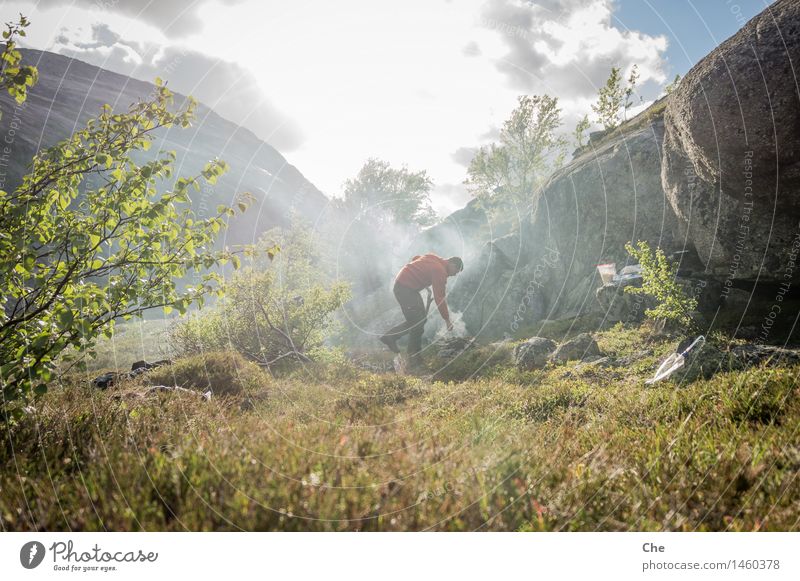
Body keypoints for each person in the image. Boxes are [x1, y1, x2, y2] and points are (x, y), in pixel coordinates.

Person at [380, 254, 463, 367]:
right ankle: (412, 357)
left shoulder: (433, 257)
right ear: (452, 264)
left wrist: (422, 279)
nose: (454, 274)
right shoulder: (440, 271)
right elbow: (440, 298)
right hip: (405, 289)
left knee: (420, 320)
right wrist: (447, 319)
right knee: (417, 322)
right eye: (456, 271)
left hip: (408, 288)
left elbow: (416, 258)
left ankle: (402, 346)